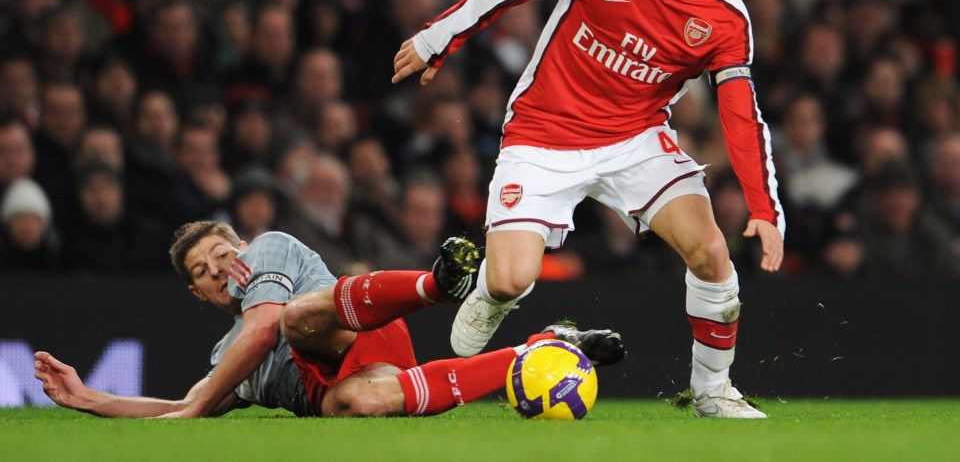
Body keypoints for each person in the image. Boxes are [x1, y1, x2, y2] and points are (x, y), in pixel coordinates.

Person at [392, 0, 785, 418]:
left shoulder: (726, 17)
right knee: (510, 279)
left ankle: (713, 391)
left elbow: (742, 115)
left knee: (712, 252)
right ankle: (492, 292)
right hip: (543, 133)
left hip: (636, 138)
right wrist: (439, 38)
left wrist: (764, 208)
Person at [33, 220, 623, 418]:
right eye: (203, 270)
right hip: (345, 382)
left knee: (291, 319)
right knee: (351, 407)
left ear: (239, 244)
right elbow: (187, 404)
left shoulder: (268, 249)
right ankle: (542, 351)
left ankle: (437, 284)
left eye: (221, 252)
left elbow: (263, 330)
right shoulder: (225, 363)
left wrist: (194, 408)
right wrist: (91, 399)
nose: (220, 269)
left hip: (360, 322)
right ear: (196, 293)